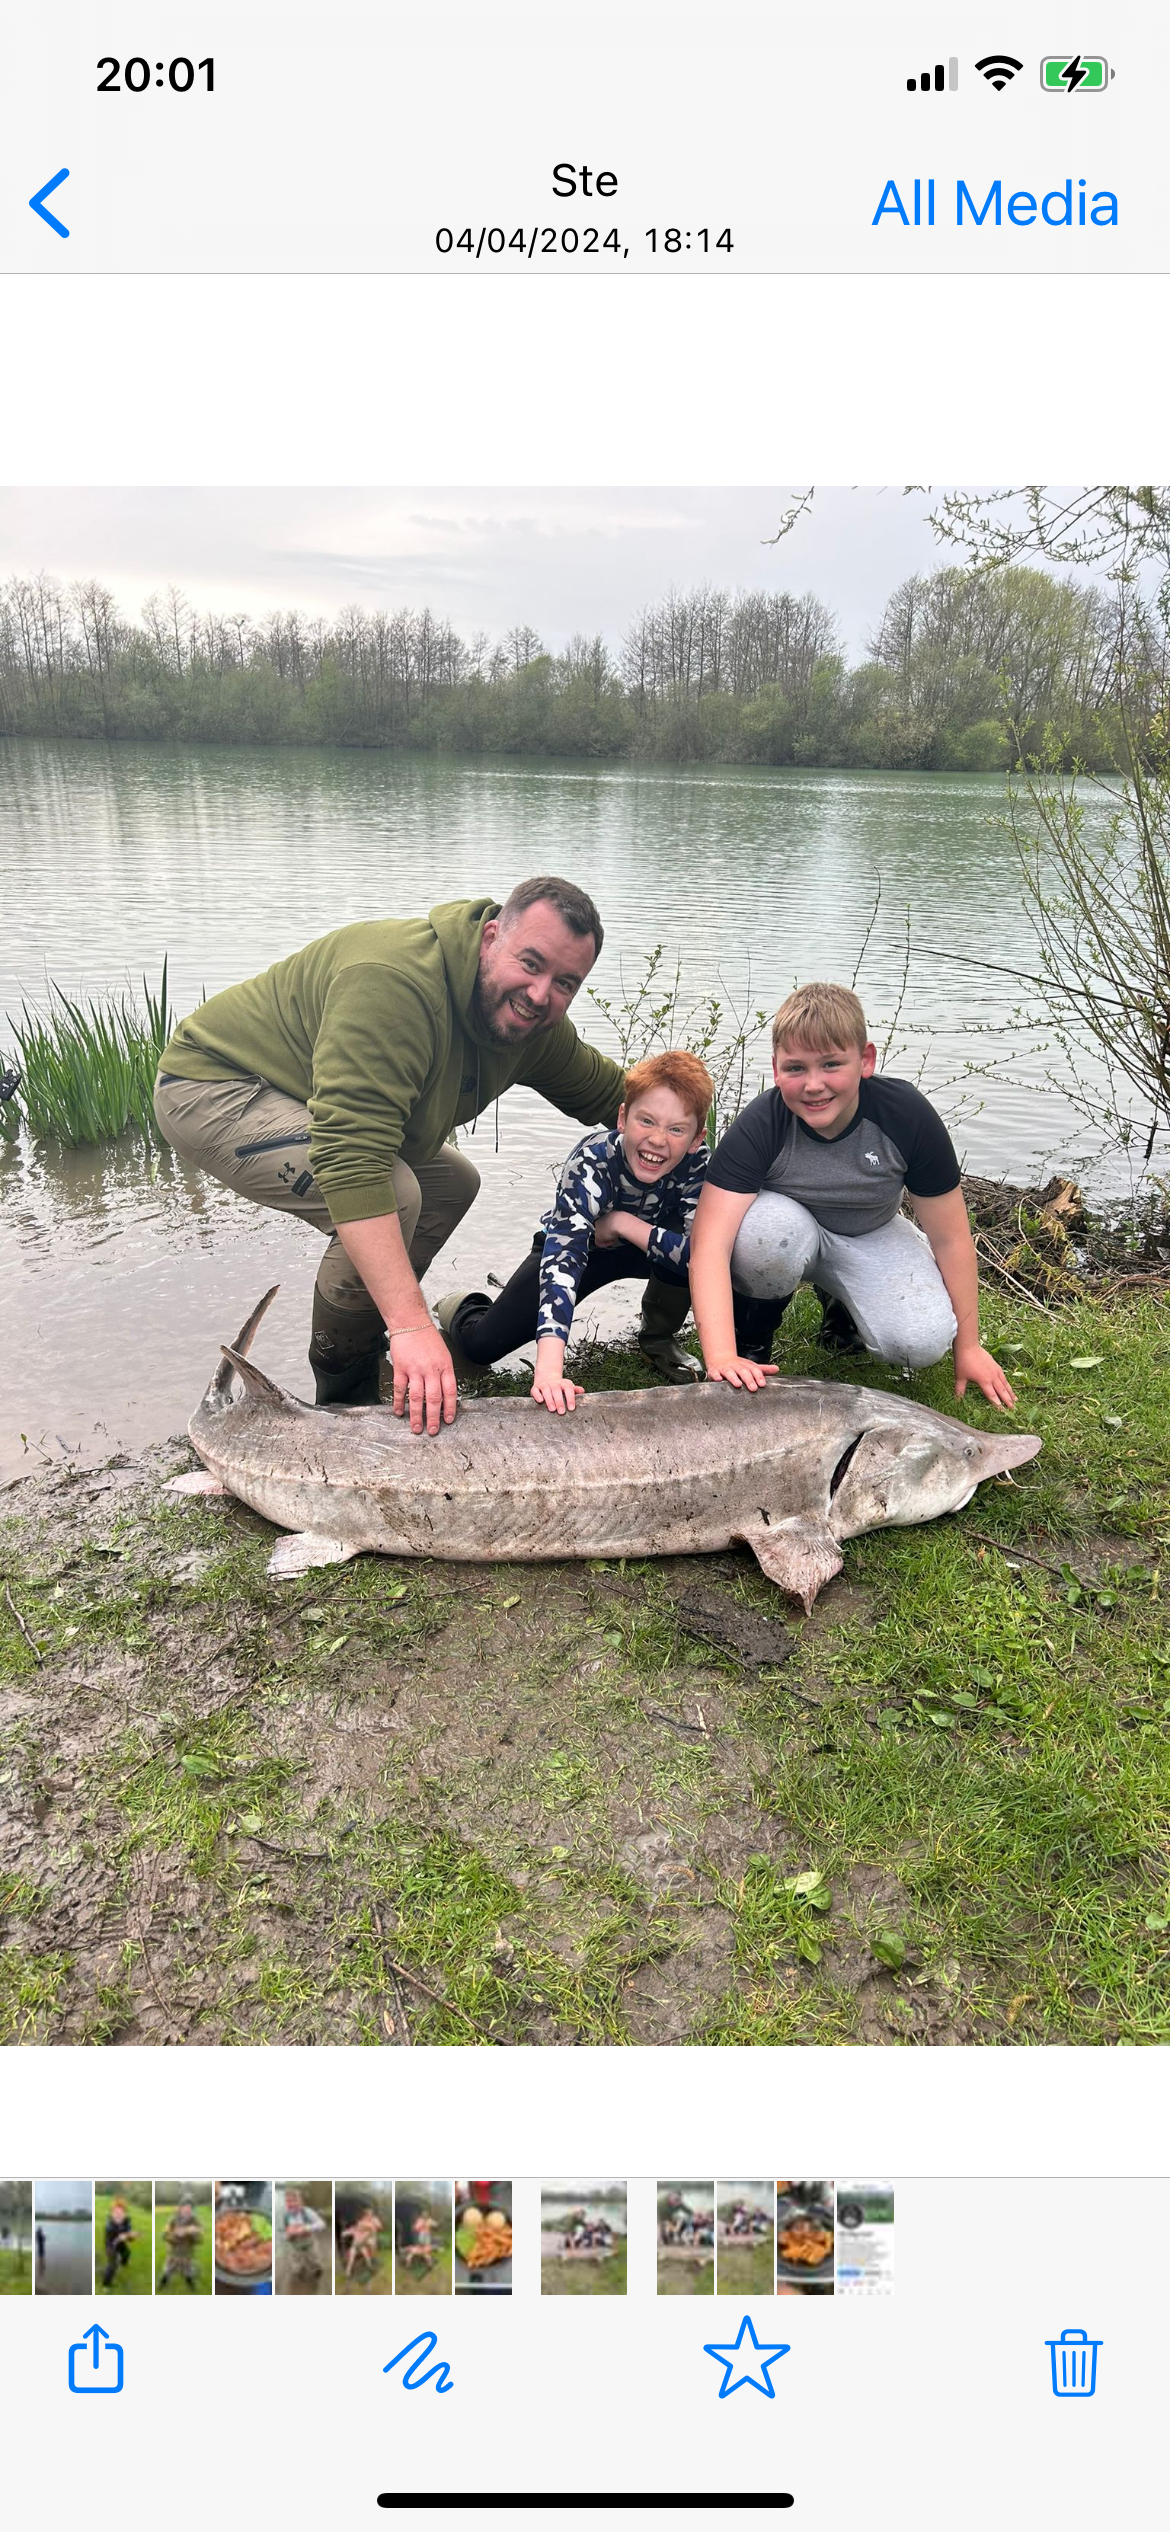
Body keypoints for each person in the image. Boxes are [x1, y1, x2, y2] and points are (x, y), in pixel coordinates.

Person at [154, 880, 626, 1435]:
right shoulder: (396, 984)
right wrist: (413, 1325)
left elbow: (618, 1098)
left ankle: (368, 1338)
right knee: (395, 1194)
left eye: (565, 983)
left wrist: (701, 1154)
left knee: (453, 1183)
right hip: (217, 1086)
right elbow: (351, 1158)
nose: (540, 994)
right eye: (531, 963)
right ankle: (344, 1389)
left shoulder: (531, 1023)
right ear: (491, 937)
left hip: (309, 1099)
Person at [689, 982, 1017, 1408]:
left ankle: (841, 1305)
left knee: (920, 1344)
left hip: (870, 1232)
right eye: (796, 1068)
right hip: (786, 1234)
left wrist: (968, 1346)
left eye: (831, 1064)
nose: (813, 1085)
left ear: (866, 1060)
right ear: (776, 1070)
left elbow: (951, 1238)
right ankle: (750, 1344)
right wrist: (720, 1356)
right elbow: (710, 1245)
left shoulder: (906, 1115)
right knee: (766, 1233)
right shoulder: (762, 1124)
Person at [439, 1049, 714, 1406]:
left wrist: (621, 1223)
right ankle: (459, 1304)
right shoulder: (593, 1162)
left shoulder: (699, 1165)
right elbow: (562, 1262)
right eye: (646, 1121)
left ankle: (658, 1339)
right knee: (481, 1346)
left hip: (648, 1247)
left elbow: (705, 1257)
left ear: (696, 1139)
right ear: (622, 1118)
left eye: (676, 1129)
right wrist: (549, 1372)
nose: (658, 1140)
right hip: (584, 1247)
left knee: (712, 1247)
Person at [281, 2187, 324, 2290]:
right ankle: (299, 2271)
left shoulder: (307, 2212)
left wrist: (305, 2228)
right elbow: (284, 2234)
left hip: (310, 2245)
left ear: (301, 2201)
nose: (291, 2204)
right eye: (288, 2201)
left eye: (294, 2200)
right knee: (296, 2262)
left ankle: (317, 2269)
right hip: (295, 2246)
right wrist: (288, 2235)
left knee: (314, 2260)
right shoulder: (286, 2216)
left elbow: (322, 2224)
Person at [159, 2201, 202, 2290]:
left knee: (187, 2269)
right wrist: (173, 2235)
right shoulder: (173, 2219)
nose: (187, 2210)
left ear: (192, 2210)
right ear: (180, 2208)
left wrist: (192, 2234)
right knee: (168, 2268)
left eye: (189, 2208)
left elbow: (200, 2240)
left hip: (187, 2252)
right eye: (185, 2208)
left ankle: (189, 2282)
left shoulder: (195, 2221)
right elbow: (163, 2236)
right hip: (174, 2251)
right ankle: (163, 2281)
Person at [101, 2198, 135, 2290]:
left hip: (121, 2243)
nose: (118, 2215)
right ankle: (106, 2284)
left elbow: (129, 2236)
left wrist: (131, 2236)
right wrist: (120, 2238)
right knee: (113, 2265)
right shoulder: (109, 2226)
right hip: (111, 2245)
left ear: (125, 2214)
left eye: (121, 2213)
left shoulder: (127, 2221)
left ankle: (124, 2263)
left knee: (127, 2252)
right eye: (116, 2213)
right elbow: (114, 2241)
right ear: (112, 2214)